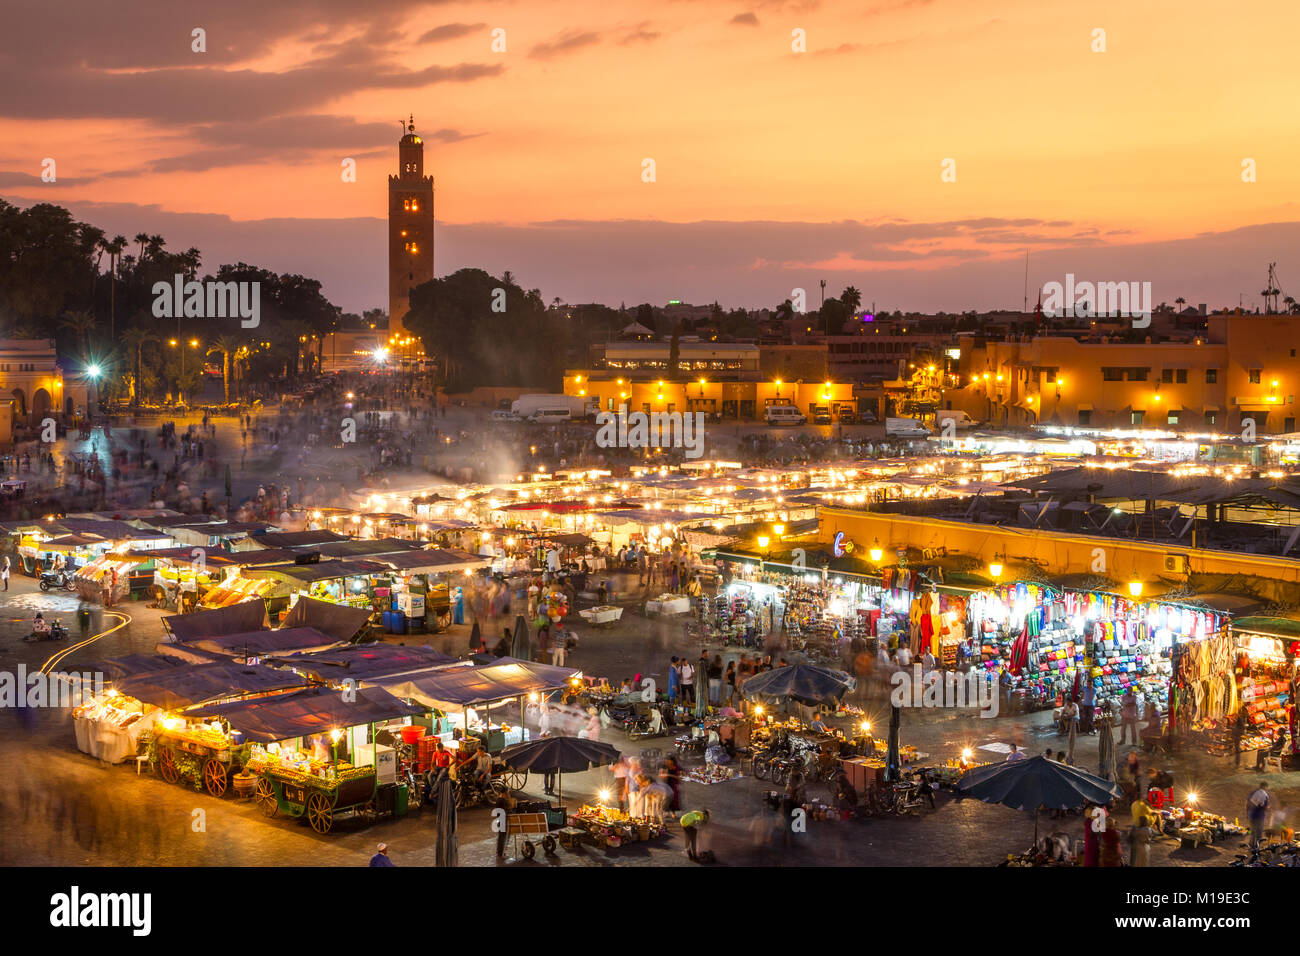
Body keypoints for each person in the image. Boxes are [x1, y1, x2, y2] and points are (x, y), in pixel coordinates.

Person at [1247, 782, 1270, 851]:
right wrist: (1268, 808)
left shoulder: (1253, 793)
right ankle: (1256, 848)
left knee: (1253, 831)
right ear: (1265, 787)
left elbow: (1247, 804)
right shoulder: (1265, 795)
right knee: (1259, 833)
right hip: (1260, 816)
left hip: (1251, 815)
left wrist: (1247, 813)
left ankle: (1251, 845)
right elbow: (1265, 808)